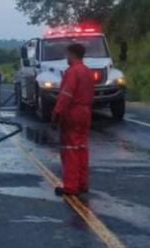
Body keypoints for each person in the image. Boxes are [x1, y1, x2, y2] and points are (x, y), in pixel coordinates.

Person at [51, 44, 94, 196]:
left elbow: (66, 95)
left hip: (73, 112)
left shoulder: (72, 72)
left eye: (67, 55)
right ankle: (83, 183)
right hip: (86, 111)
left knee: (70, 150)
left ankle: (71, 186)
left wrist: (57, 112)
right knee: (81, 147)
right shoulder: (87, 71)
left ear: (72, 54)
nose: (66, 58)